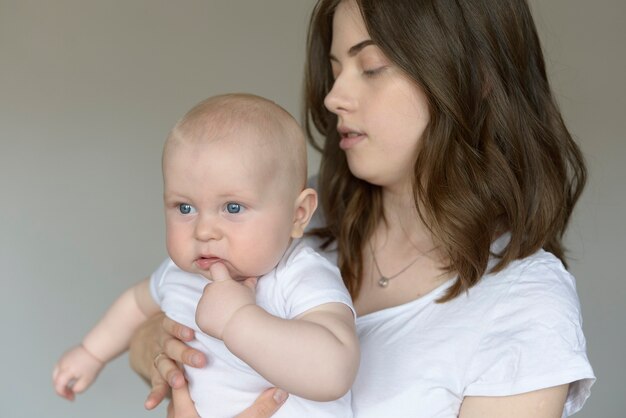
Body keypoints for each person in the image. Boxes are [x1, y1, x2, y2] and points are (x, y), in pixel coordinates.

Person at [129, 0, 596, 417]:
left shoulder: (524, 304)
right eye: (335, 70)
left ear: (477, 79)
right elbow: (159, 312)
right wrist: (161, 349)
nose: (333, 98)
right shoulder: (290, 219)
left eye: (371, 67)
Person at [52, 93, 359, 418]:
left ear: (298, 215)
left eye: (232, 207)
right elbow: (136, 304)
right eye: (185, 207)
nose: (204, 230)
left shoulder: (298, 274)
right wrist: (91, 353)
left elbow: (335, 371)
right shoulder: (180, 272)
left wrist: (237, 320)